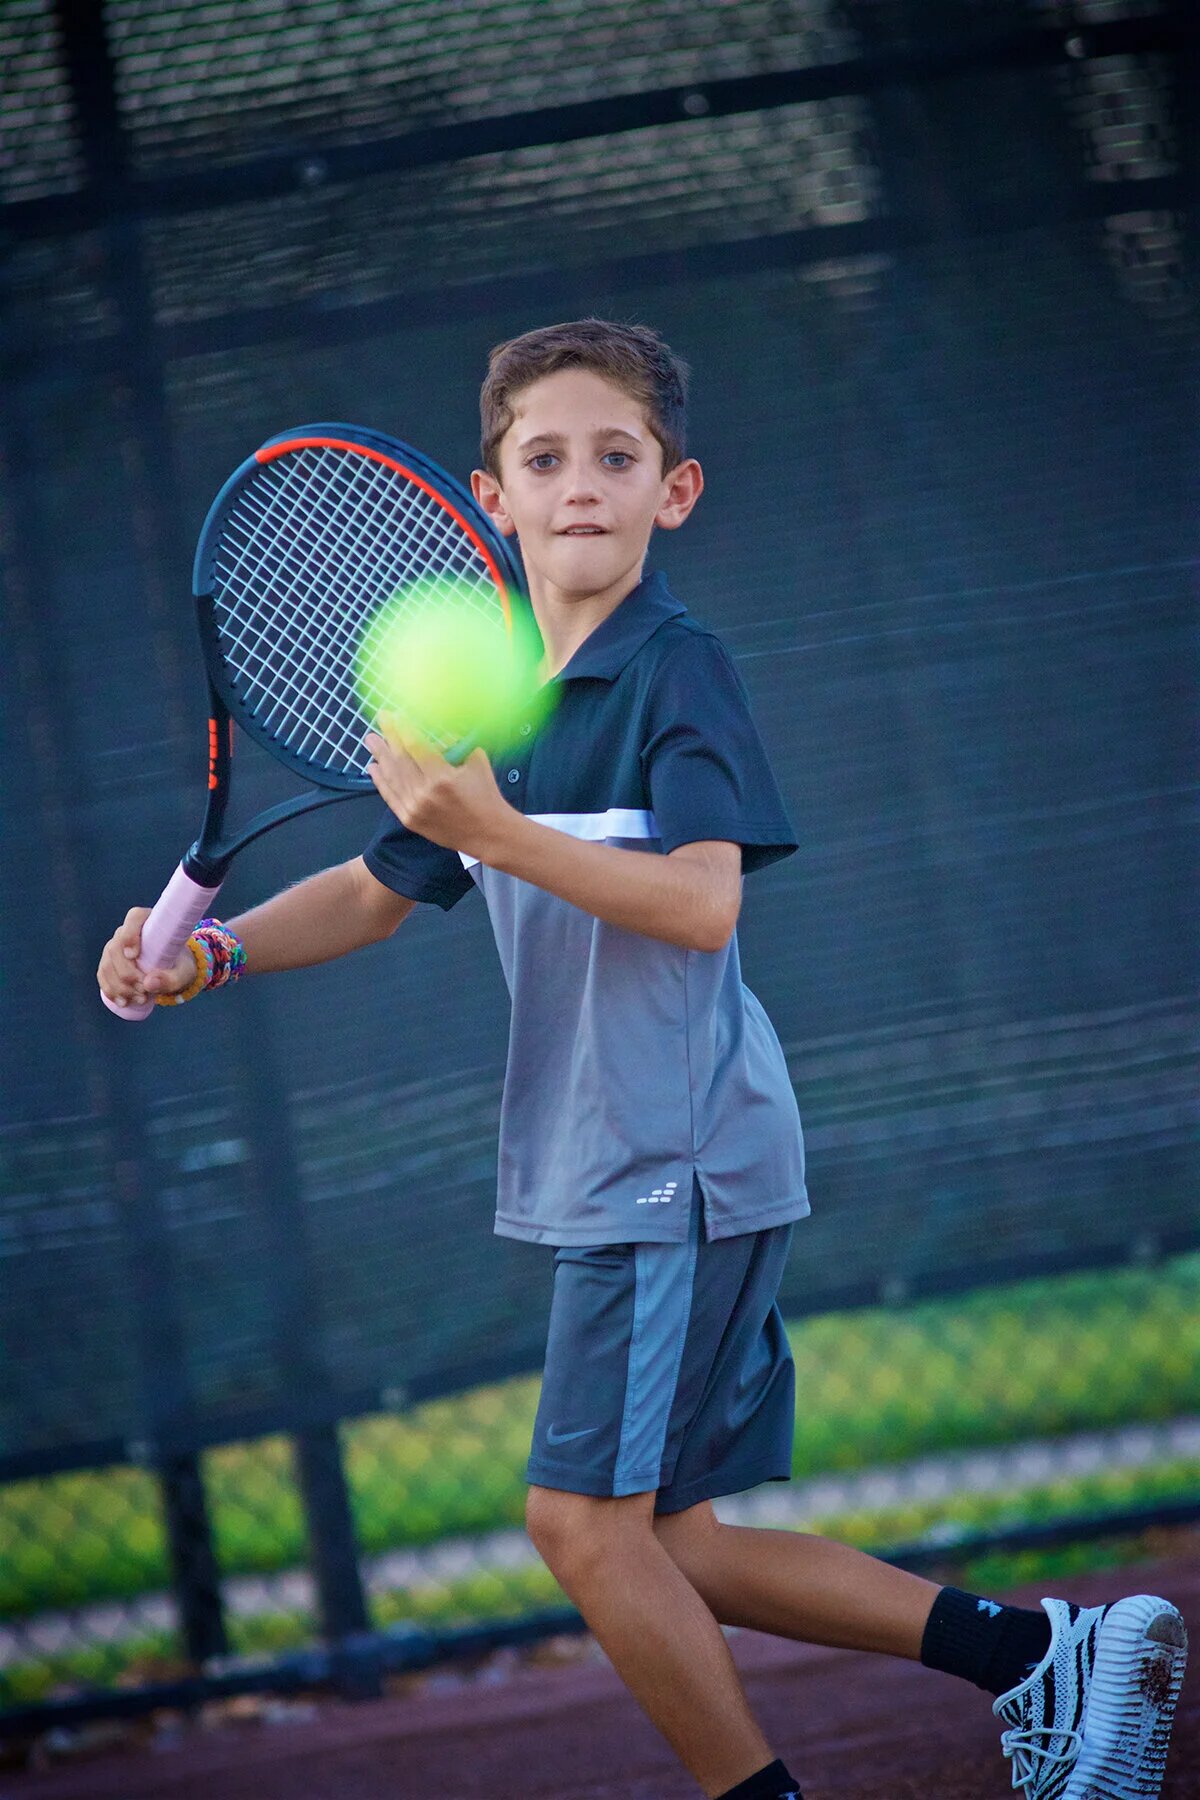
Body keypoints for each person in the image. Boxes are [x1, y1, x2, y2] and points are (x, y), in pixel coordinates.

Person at [97, 319, 1187, 1799]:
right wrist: (211, 952)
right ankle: (1045, 1655)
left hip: (672, 1156)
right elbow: (373, 891)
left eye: (617, 457)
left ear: (674, 492)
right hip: (627, 1158)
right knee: (674, 1540)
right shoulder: (490, 708)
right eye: (546, 459)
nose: (582, 487)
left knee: (578, 1528)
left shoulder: (680, 670)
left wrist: (498, 834)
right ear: (492, 499)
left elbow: (701, 902)